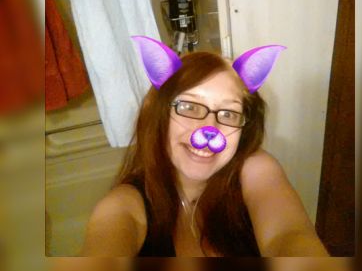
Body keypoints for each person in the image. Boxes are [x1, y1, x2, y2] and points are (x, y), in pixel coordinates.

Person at [82, 36, 328, 257]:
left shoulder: (256, 169)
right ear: (159, 116)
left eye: (228, 113)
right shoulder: (124, 204)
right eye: (189, 107)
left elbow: (287, 235)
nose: (209, 128)